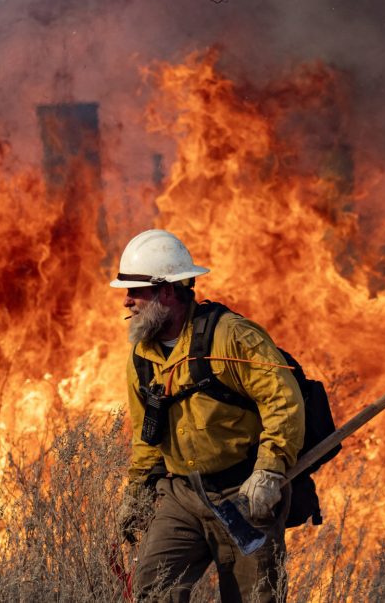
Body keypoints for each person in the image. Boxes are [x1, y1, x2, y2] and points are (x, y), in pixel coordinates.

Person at [112, 229, 305, 602]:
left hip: (241, 495)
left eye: (134, 291)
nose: (126, 301)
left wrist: (269, 469)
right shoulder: (142, 357)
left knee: (255, 598)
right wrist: (136, 493)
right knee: (153, 592)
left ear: (166, 291)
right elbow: (146, 436)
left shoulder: (232, 338)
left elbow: (282, 400)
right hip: (181, 495)